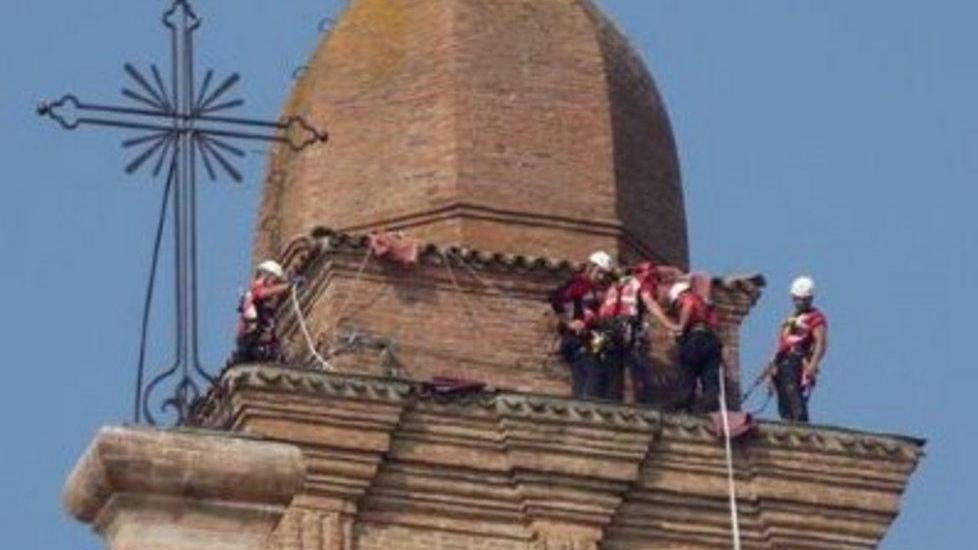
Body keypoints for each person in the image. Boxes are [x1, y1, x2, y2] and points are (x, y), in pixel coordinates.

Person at [588, 261, 677, 403]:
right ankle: (642, 401)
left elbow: (593, 285)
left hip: (604, 329)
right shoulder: (641, 283)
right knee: (636, 364)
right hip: (625, 328)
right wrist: (669, 324)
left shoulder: (616, 283)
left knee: (604, 362)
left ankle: (605, 400)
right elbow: (650, 302)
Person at [549, 251, 612, 399]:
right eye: (600, 272)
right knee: (592, 373)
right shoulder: (578, 285)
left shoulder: (593, 290)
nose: (601, 278)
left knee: (585, 373)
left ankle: (582, 402)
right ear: (591, 267)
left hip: (588, 340)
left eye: (604, 275)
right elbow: (556, 303)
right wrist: (569, 323)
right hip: (577, 339)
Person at [767, 276, 828, 422]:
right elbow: (780, 346)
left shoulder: (815, 317)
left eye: (804, 299)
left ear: (810, 299)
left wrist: (812, 366)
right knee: (783, 401)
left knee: (792, 392)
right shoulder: (789, 320)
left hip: (796, 360)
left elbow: (821, 343)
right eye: (797, 299)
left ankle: (801, 426)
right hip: (782, 361)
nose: (800, 302)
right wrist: (770, 370)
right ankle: (788, 424)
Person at [668, 280, 723, 413]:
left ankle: (683, 404)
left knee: (688, 371)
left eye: (676, 304)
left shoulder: (687, 298)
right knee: (709, 376)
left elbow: (689, 305)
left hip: (695, 339)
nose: (677, 307)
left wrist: (680, 327)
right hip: (711, 341)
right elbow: (715, 323)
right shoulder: (705, 304)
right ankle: (710, 404)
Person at [231, 260, 299, 365]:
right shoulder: (254, 290)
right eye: (274, 280)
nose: (274, 284)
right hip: (250, 344)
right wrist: (288, 285)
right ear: (267, 276)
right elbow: (262, 293)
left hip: (256, 343)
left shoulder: (263, 305)